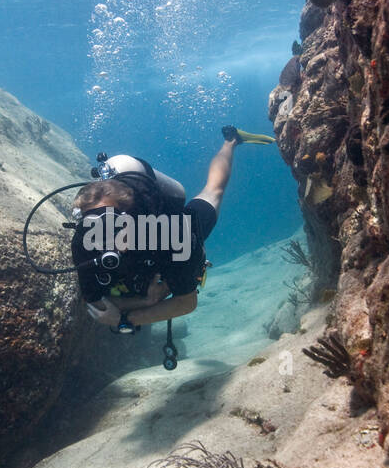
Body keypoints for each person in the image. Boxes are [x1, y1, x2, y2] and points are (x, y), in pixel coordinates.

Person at [73, 125, 275, 333]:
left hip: (166, 221)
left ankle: (231, 141)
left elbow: (186, 302)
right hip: (131, 193)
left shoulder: (173, 234)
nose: (102, 237)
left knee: (214, 190)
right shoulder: (84, 238)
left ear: (131, 221)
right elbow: (95, 301)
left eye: (112, 227)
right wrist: (148, 300)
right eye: (92, 226)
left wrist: (125, 320)